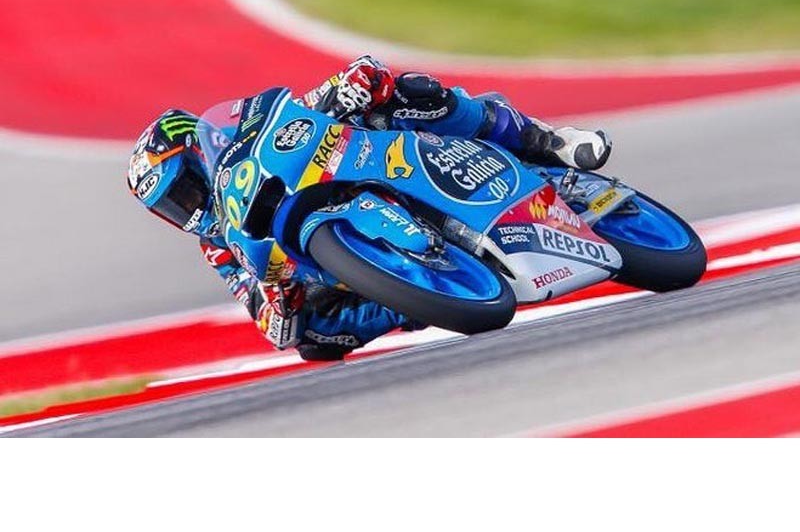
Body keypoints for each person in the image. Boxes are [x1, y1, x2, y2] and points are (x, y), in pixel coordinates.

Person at [127, 56, 611, 361]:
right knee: (312, 341)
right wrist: (277, 303)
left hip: (355, 157)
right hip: (330, 258)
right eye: (172, 208)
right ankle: (421, 289)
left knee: (401, 92)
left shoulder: (241, 125)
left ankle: (546, 140)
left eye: (184, 190)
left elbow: (299, 108)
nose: (187, 209)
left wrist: (347, 86)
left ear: (198, 155)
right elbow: (269, 323)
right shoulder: (218, 245)